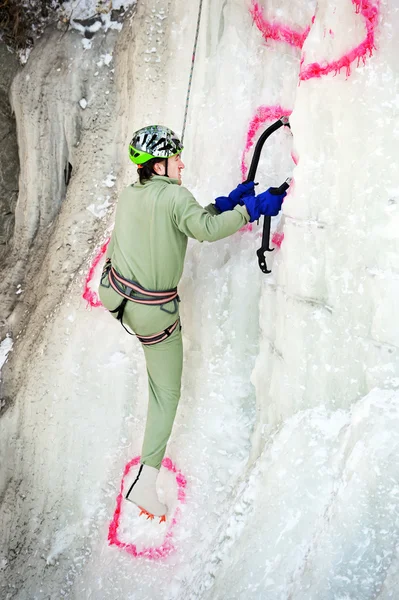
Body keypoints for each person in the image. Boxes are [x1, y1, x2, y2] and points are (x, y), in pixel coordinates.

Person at [98, 125, 286, 522]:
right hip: (153, 313)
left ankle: (146, 474)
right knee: (166, 394)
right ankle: (145, 482)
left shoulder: (132, 196)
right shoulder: (176, 195)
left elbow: (184, 220)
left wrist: (223, 204)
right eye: (176, 157)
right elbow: (204, 230)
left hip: (118, 296)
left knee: (157, 380)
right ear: (159, 164)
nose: (182, 162)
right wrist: (251, 209)